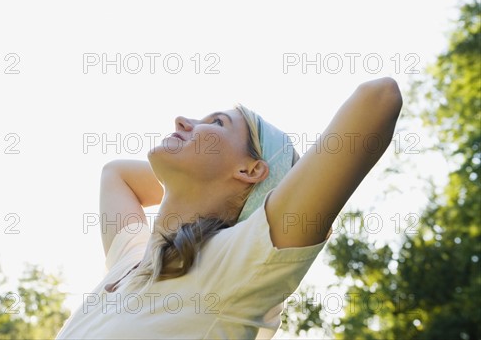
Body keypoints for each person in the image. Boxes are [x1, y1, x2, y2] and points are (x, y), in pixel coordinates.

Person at [55, 77, 403, 339]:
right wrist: (187, 187)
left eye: (217, 123)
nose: (183, 121)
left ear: (251, 170)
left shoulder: (238, 263)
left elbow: (380, 98)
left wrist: (257, 193)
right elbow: (115, 174)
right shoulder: (131, 260)